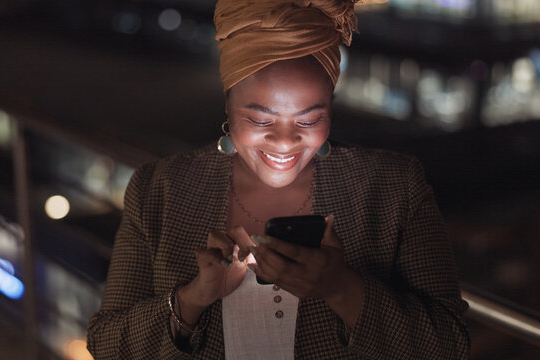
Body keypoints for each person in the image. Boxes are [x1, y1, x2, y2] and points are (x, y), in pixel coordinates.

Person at [87, 0, 470, 358]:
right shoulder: (159, 189)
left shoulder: (394, 187)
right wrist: (192, 299)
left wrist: (343, 289)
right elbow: (107, 344)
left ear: (332, 107)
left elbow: (450, 345)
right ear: (228, 105)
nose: (285, 141)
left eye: (309, 120)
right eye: (259, 119)